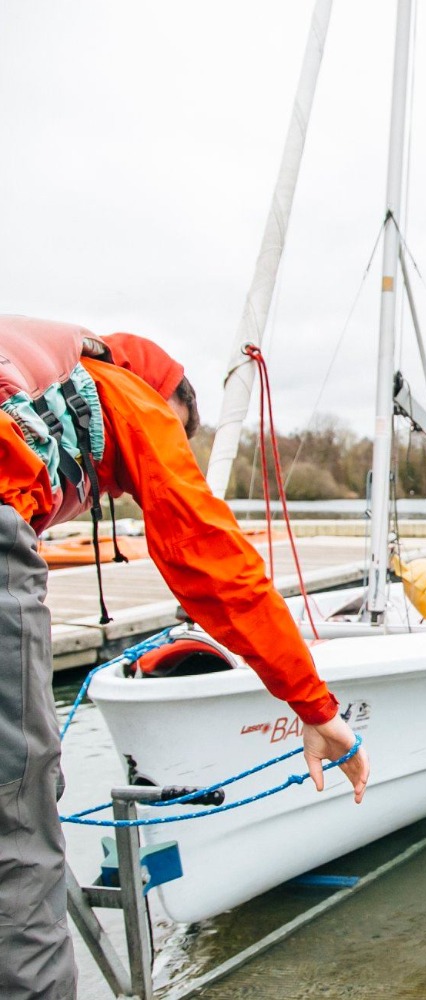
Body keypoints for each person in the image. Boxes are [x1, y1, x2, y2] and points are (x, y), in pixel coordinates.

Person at [0, 316, 370, 1000]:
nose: (117, 493)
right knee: (16, 830)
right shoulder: (127, 393)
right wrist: (315, 708)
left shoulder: (41, 362)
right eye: (177, 431)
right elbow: (217, 567)